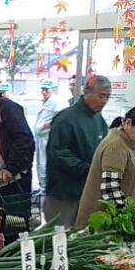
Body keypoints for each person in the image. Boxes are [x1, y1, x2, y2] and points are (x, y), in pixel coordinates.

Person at [75, 104, 135, 229]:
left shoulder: (127, 144)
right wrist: (130, 216)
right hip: (100, 225)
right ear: (128, 123)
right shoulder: (116, 146)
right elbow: (110, 190)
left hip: (110, 221)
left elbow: (126, 167)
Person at [44, 75, 112, 227]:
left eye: (107, 97)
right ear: (87, 93)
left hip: (87, 191)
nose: (104, 101)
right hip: (63, 193)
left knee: (81, 236)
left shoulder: (99, 120)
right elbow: (58, 153)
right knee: (58, 239)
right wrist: (88, 169)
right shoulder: (66, 118)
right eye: (101, 96)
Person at [33, 79, 67, 191]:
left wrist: (50, 125)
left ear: (52, 90)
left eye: (46, 90)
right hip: (41, 139)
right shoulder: (45, 102)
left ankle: (46, 189)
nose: (44, 92)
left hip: (48, 139)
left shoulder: (58, 102)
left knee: (45, 164)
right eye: (42, 89)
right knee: (40, 164)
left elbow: (63, 118)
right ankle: (43, 187)